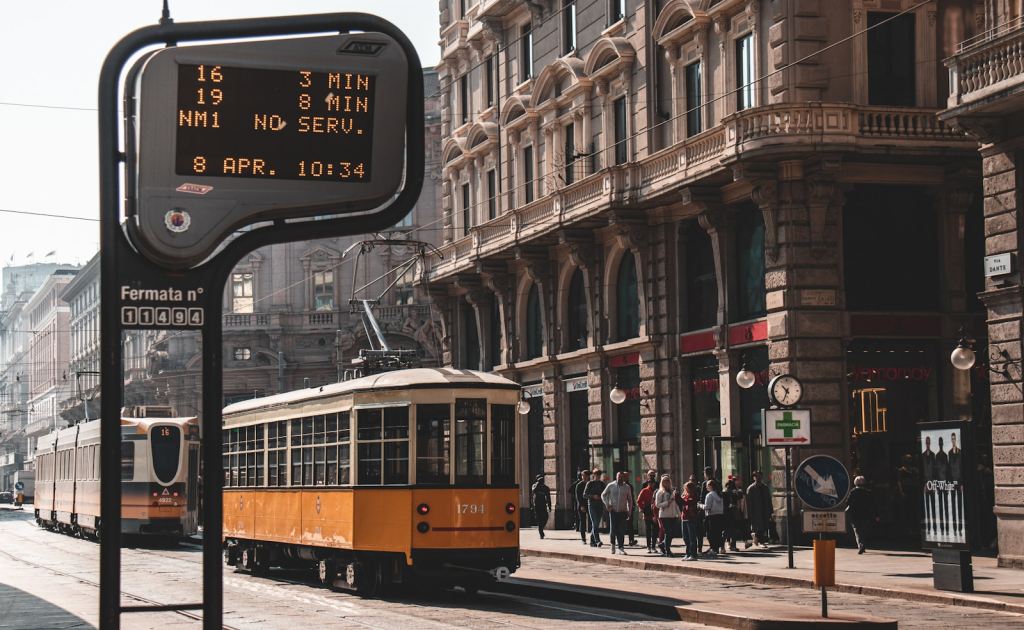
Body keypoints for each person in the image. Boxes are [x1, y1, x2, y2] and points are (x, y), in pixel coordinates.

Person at [602, 471, 634, 554]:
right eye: (618, 476)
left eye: (621, 476)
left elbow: (630, 500)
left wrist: (629, 511)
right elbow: (603, 495)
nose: (620, 478)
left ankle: (621, 547)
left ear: (624, 478)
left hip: (623, 511)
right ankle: (613, 545)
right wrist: (607, 504)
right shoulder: (611, 485)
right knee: (613, 530)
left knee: (621, 530)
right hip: (613, 511)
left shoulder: (627, 487)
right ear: (616, 477)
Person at [846, 475, 875, 554]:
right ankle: (863, 544)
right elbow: (873, 504)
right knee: (864, 530)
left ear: (855, 483)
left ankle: (861, 544)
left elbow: (847, 502)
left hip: (854, 514)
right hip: (866, 514)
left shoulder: (853, 492)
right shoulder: (868, 492)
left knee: (857, 530)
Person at [654, 475, 681, 557]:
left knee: (672, 533)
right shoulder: (660, 492)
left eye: (668, 481)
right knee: (668, 532)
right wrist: (667, 502)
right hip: (664, 515)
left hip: (673, 515)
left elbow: (675, 503)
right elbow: (657, 504)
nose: (666, 482)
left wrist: (679, 514)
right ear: (662, 482)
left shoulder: (672, 491)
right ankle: (667, 550)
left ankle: (662, 544)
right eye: (665, 481)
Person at [746, 470, 772, 548]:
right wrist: (749, 513)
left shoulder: (765, 487)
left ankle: (756, 539)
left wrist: (771, 510)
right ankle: (759, 541)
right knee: (758, 527)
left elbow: (769, 499)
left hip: (765, 510)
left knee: (764, 526)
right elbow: (748, 502)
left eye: (760, 476)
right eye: (757, 477)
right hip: (756, 511)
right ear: (754, 478)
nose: (759, 478)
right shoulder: (751, 488)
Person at [700, 479, 725, 557]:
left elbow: (707, 507)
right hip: (720, 515)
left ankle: (713, 548)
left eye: (707, 485)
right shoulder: (719, 494)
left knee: (710, 533)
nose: (706, 487)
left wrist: (700, 505)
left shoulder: (709, 495)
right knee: (717, 533)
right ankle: (717, 548)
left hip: (711, 516)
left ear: (710, 486)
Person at [583, 467, 607, 547]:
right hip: (592, 505)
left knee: (595, 524)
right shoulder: (590, 483)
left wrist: (602, 498)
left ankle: (592, 541)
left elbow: (605, 494)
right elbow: (585, 495)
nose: (598, 477)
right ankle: (597, 541)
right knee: (595, 523)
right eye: (596, 475)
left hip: (600, 505)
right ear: (593, 475)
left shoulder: (602, 484)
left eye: (599, 475)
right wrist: (593, 496)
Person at [722, 476, 745, 551]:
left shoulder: (724, 492)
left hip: (726, 513)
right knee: (733, 530)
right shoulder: (734, 492)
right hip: (733, 513)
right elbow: (740, 496)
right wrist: (739, 489)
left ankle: (722, 546)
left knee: (727, 530)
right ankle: (732, 545)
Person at [636, 478, 658, 553]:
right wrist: (643, 508)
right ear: (648, 483)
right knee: (648, 530)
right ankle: (648, 546)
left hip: (655, 512)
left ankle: (654, 546)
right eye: (650, 482)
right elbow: (638, 501)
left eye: (652, 482)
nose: (651, 484)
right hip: (647, 512)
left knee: (655, 530)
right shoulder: (644, 490)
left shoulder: (656, 491)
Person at [680, 481, 700, 560]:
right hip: (684, 517)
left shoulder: (693, 496)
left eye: (687, 488)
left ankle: (693, 554)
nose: (685, 489)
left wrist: (678, 497)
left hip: (691, 518)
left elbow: (687, 503)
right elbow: (681, 503)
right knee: (685, 537)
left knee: (692, 537)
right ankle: (688, 553)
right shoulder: (685, 495)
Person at [572, 469, 591, 544]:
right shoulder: (579, 485)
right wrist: (581, 505)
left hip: (589, 504)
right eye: (583, 476)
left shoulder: (590, 484)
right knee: (582, 521)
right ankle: (583, 538)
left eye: (585, 476)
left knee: (591, 521)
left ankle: (593, 537)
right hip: (581, 505)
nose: (584, 477)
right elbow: (578, 497)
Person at [530, 474, 552, 539]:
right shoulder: (534, 486)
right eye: (539, 480)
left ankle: (541, 528)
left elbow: (548, 497)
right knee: (539, 519)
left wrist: (549, 505)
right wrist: (538, 484)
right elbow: (534, 491)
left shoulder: (546, 488)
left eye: (541, 480)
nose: (541, 481)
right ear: (537, 480)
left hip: (543, 505)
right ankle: (541, 532)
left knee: (545, 517)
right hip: (536, 505)